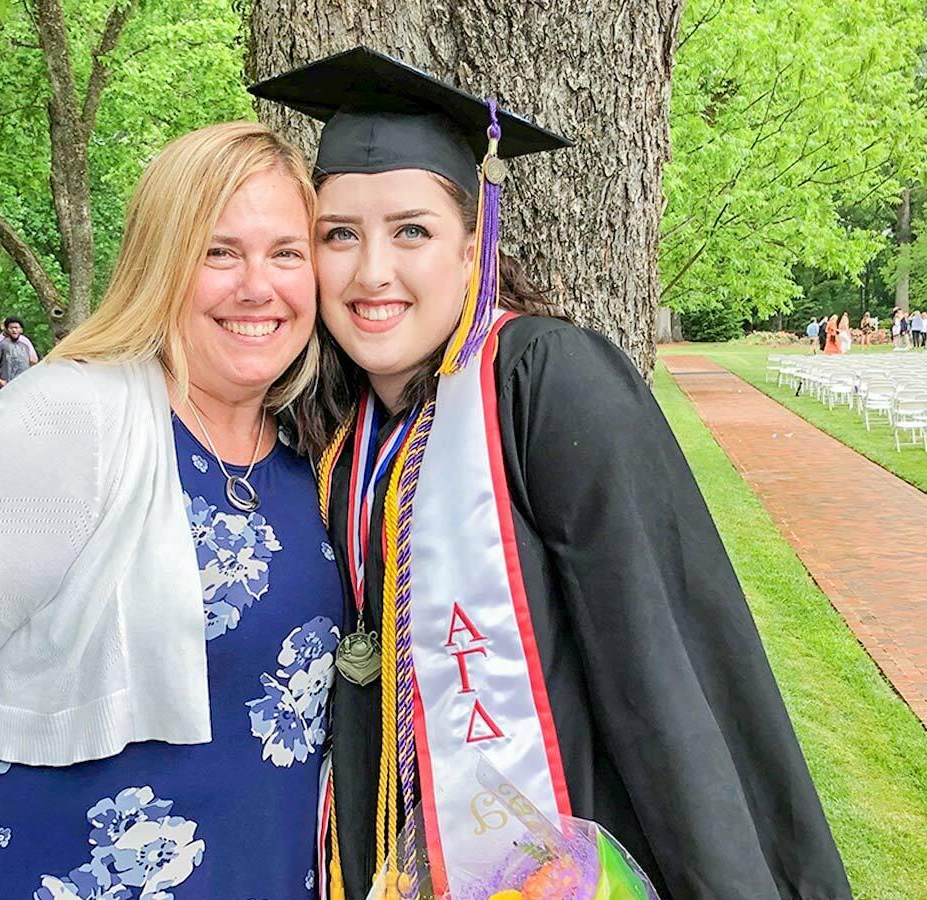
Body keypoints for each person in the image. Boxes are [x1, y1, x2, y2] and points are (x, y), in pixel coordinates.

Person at [255, 47, 851, 900]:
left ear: (474, 245)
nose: (371, 271)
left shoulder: (545, 383)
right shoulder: (340, 437)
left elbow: (665, 675)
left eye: (412, 230)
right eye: (339, 234)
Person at [0, 121, 342, 900]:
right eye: (219, 251)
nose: (256, 287)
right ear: (161, 265)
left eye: (286, 253)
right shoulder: (74, 418)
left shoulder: (316, 446)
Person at [0, 316, 38, 385]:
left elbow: (34, 361)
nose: (14, 330)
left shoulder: (25, 345)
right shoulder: (1, 345)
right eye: (11, 328)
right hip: (7, 384)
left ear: (21, 330)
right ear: (7, 329)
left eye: (16, 328)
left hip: (24, 383)